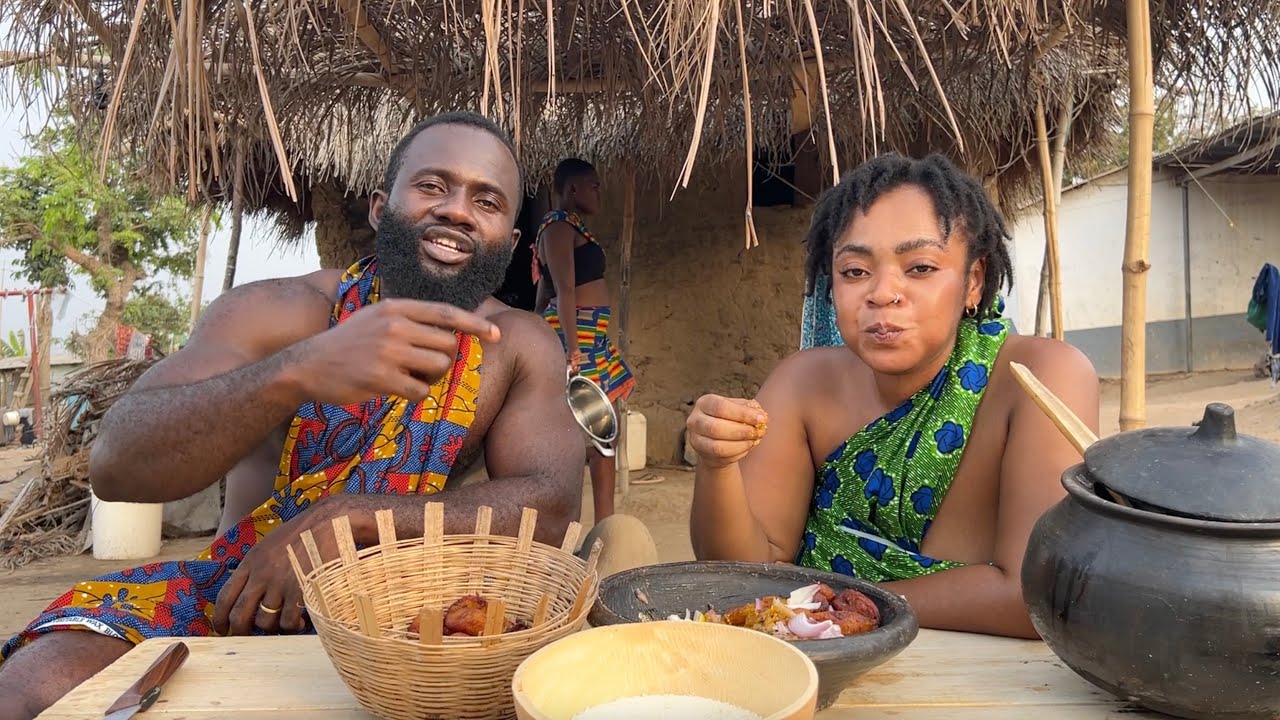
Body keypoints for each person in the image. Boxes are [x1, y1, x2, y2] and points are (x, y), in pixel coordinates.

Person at [0, 112, 653, 720]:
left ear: (507, 242)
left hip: (402, 608)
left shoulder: (518, 347)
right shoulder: (280, 313)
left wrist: (350, 520)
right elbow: (119, 465)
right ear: (379, 208)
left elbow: (549, 505)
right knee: (35, 683)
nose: (457, 209)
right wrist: (300, 371)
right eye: (433, 185)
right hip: (240, 597)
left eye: (485, 201)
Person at [686, 153, 1099, 639]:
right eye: (855, 271)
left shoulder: (1040, 378)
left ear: (973, 281)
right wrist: (717, 467)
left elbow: (1036, 593)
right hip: (814, 666)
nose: (883, 293)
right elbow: (745, 572)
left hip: (970, 683)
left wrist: (841, 610)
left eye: (920, 267)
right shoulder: (802, 384)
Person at [532, 158, 635, 521]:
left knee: (603, 433)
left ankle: (604, 525)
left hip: (590, 337)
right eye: (593, 185)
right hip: (577, 338)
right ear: (573, 189)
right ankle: (577, 525)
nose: (598, 192)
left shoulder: (570, 227)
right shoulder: (558, 227)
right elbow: (561, 290)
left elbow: (543, 291)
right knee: (589, 434)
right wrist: (571, 348)